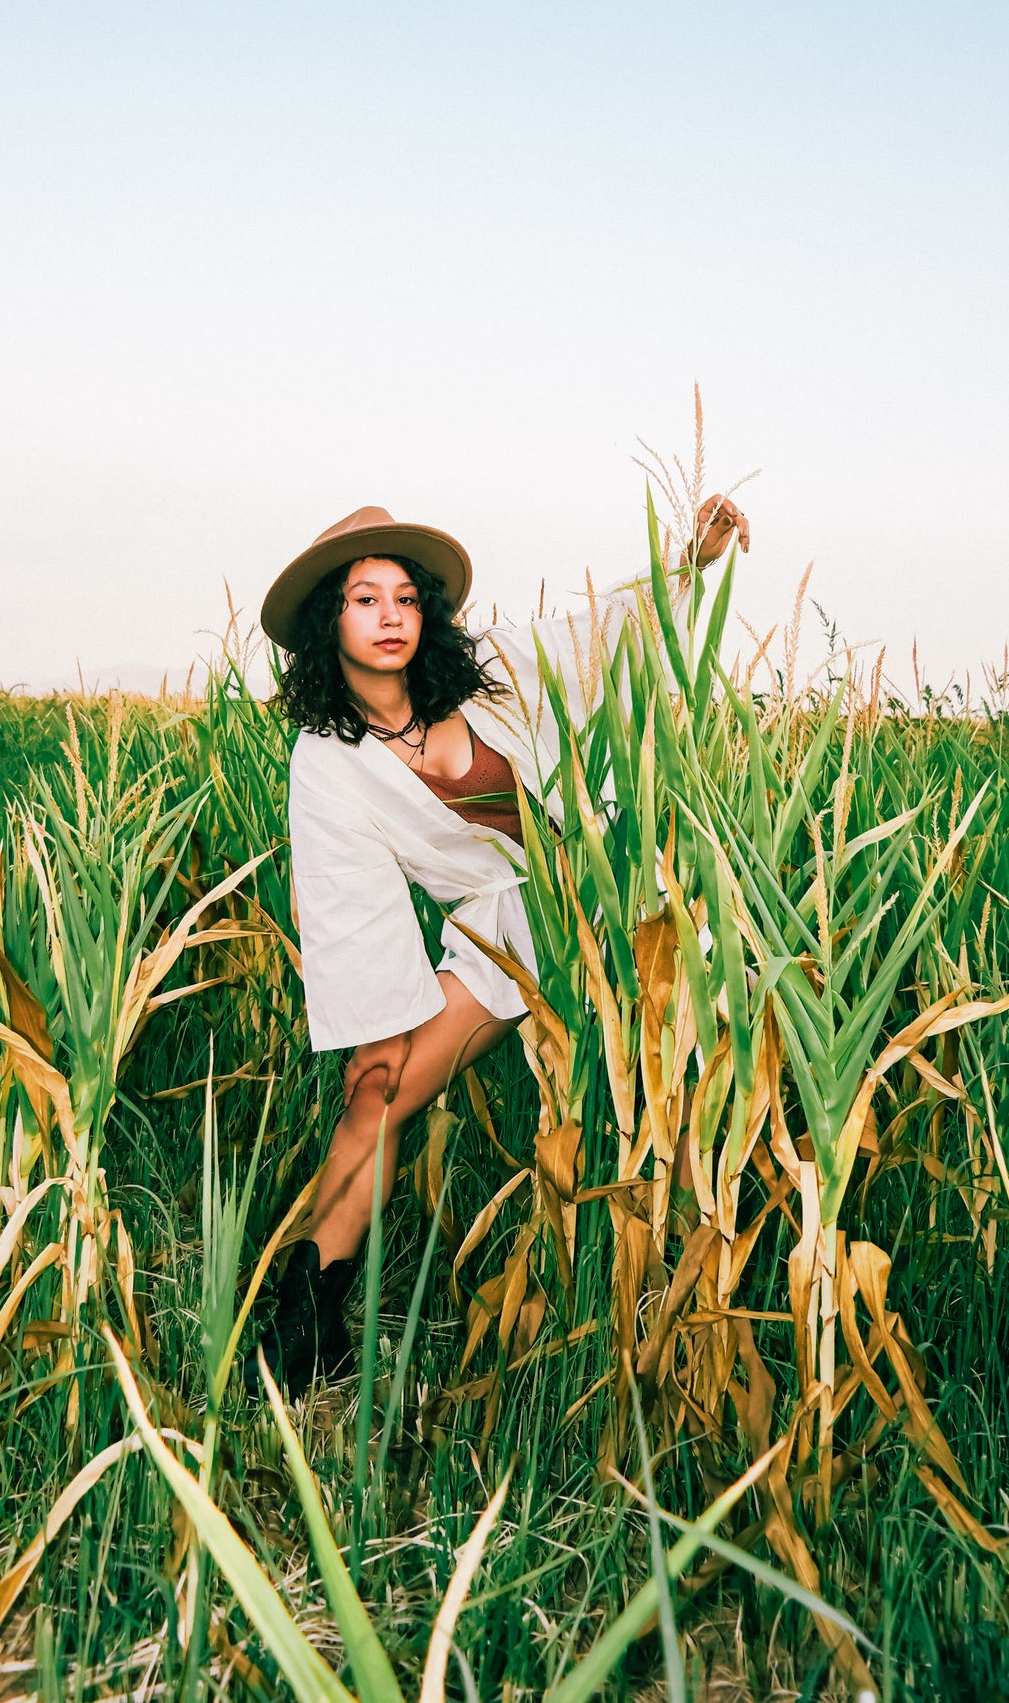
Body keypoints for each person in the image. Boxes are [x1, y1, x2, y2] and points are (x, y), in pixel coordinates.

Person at [252, 493, 750, 1396]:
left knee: (687, 1073)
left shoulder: (489, 675)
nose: (389, 615)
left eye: (404, 596)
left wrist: (688, 558)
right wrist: (380, 1027)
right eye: (364, 598)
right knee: (378, 1091)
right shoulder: (325, 759)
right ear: (331, 620)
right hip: (505, 921)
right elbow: (347, 901)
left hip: (619, 890)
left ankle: (699, 1283)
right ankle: (307, 1312)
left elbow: (603, 632)